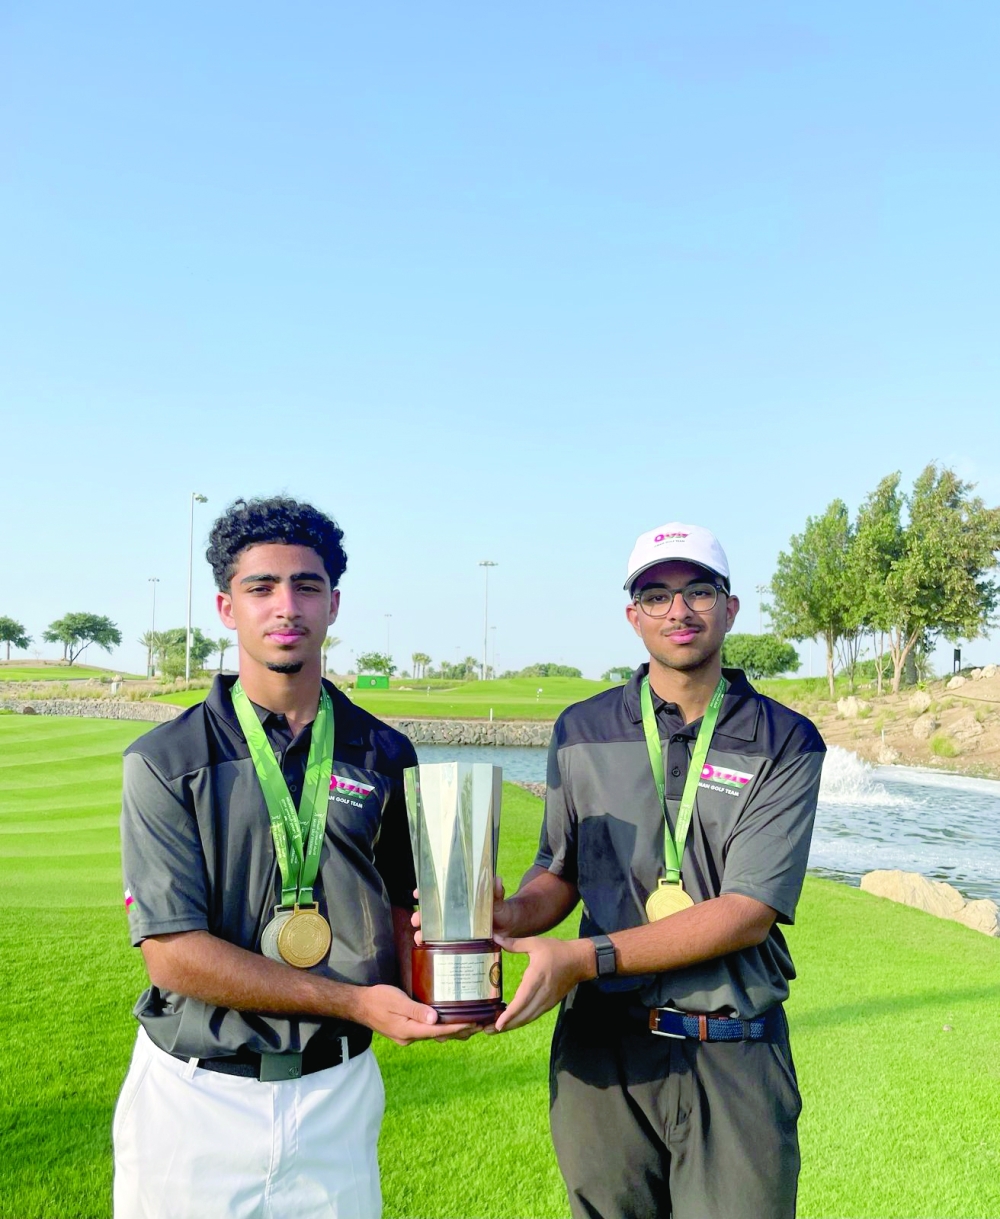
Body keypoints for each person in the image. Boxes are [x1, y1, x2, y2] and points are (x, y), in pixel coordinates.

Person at [113, 496, 473, 1219]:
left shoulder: (383, 751)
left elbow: (405, 908)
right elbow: (173, 955)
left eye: (307, 585)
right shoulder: (166, 759)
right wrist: (353, 1000)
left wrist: (459, 933)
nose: (287, 605)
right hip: (196, 1099)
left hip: (336, 1096)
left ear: (334, 603)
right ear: (226, 606)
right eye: (262, 586)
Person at [489, 521, 825, 1219]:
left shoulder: (785, 739)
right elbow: (559, 868)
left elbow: (747, 909)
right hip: (602, 1055)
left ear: (730, 608)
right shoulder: (582, 727)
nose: (679, 609)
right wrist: (506, 914)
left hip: (731, 1051)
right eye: (657, 593)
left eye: (698, 589)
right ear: (632, 615)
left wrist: (584, 956)